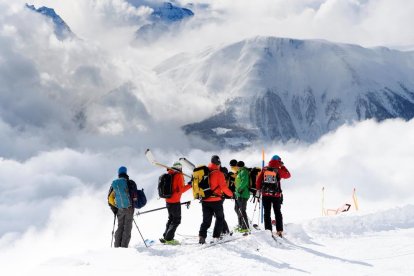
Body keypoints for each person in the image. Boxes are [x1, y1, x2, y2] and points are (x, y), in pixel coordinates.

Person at [198, 155, 233, 244]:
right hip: (216, 200)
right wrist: (232, 194)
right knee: (220, 218)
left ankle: (202, 236)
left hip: (205, 200)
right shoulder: (219, 174)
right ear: (218, 164)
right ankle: (216, 237)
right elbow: (224, 188)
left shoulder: (204, 172)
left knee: (206, 220)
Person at [256, 155, 291, 237]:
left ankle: (268, 231)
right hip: (276, 195)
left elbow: (258, 180)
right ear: (279, 161)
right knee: (277, 212)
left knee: (267, 213)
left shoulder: (265, 168)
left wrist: (258, 190)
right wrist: (283, 166)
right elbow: (288, 175)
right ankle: (279, 231)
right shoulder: (278, 170)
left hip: (265, 194)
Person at [160, 161, 191, 245]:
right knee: (176, 220)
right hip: (175, 201)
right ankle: (169, 238)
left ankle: (165, 236)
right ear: (180, 168)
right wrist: (190, 184)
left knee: (171, 219)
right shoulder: (178, 175)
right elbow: (181, 190)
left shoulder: (170, 174)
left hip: (168, 200)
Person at [107, 166, 138, 248]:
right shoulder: (130, 182)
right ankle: (124, 247)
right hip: (129, 208)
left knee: (120, 226)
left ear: (119, 174)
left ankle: (117, 246)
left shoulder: (115, 184)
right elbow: (135, 197)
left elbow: (110, 198)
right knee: (127, 227)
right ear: (126, 172)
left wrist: (115, 207)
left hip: (120, 208)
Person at [234, 160, 250, 233]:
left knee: (242, 210)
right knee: (237, 209)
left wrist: (240, 189)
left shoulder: (244, 172)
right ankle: (240, 225)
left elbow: (244, 181)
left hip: (243, 194)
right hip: (239, 194)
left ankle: (245, 227)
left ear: (238, 166)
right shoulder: (240, 172)